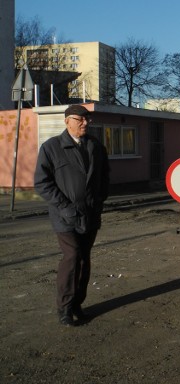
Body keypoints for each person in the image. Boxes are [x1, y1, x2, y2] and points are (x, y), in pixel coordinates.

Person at [34, 105, 110, 326]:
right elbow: (42, 182)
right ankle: (65, 308)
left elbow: (105, 176)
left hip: (90, 214)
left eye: (88, 120)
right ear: (67, 121)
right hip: (64, 215)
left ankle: (78, 304)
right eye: (80, 119)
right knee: (72, 256)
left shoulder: (96, 146)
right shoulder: (51, 147)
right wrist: (64, 206)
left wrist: (99, 200)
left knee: (84, 260)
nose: (85, 123)